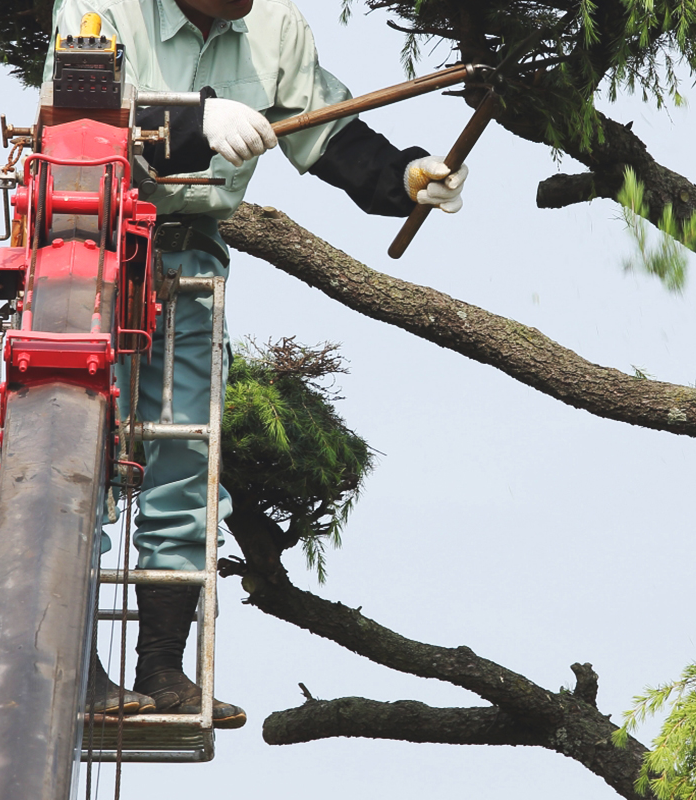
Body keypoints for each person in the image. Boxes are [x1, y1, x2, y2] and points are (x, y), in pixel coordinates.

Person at [43, 0, 468, 729]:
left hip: (190, 256)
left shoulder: (274, 26)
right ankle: (71, 666)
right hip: (89, 246)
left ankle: (163, 666)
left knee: (186, 465)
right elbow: (79, 123)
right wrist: (187, 122)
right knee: (84, 459)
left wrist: (405, 176)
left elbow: (329, 130)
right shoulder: (98, 7)